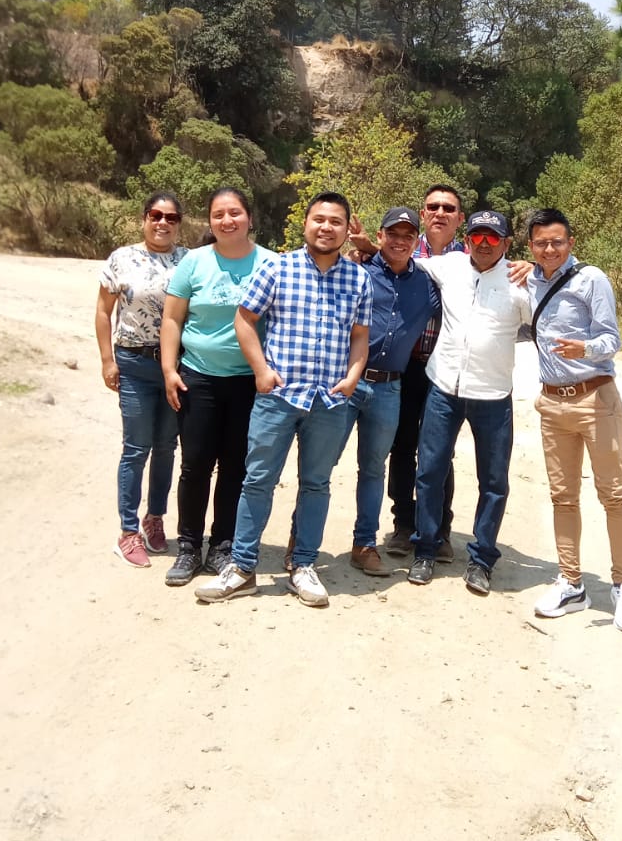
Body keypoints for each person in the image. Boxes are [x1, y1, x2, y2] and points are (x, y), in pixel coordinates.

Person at [195, 192, 372, 609]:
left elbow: (360, 335)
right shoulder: (278, 267)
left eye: (336, 221)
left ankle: (304, 565)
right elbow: (245, 319)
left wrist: (352, 377)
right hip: (278, 397)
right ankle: (242, 568)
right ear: (305, 223)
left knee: (316, 484)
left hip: (329, 401)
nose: (326, 227)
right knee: (257, 480)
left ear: (347, 230)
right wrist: (261, 371)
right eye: (319, 219)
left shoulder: (358, 278)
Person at [522, 209, 622, 631]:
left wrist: (585, 348)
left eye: (557, 242)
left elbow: (612, 339)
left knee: (614, 495)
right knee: (563, 497)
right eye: (541, 243)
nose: (549, 249)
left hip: (595, 399)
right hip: (553, 404)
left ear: (571, 243)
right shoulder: (530, 280)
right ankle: (572, 583)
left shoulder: (592, 279)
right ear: (531, 246)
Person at [408, 209, 532, 596]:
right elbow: (402, 257)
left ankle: (481, 560)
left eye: (493, 237)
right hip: (444, 387)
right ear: (467, 239)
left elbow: (548, 310)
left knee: (493, 482)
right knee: (429, 472)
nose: (484, 243)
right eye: (477, 235)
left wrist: (538, 268)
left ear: (506, 243)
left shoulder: (520, 282)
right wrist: (364, 245)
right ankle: (425, 550)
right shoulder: (450, 266)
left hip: (492, 395)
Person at [160, 187, 274, 586]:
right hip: (198, 377)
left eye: (235, 213)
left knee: (235, 466)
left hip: (249, 382)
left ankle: (223, 545)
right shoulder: (194, 262)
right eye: (219, 214)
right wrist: (169, 369)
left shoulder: (270, 263)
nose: (227, 220)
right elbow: (172, 319)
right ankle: (189, 546)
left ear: (249, 218)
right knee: (195, 465)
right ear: (210, 220)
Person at [351, 183, 465, 559]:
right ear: (423, 213)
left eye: (449, 207)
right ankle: (403, 524)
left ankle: (439, 529)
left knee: (439, 450)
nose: (440, 213)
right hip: (405, 367)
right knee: (401, 446)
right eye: (433, 206)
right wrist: (367, 250)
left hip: (445, 368)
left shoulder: (472, 258)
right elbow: (386, 260)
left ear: (460, 218)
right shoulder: (403, 249)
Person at [333, 206, 440, 576]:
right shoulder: (355, 271)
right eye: (392, 233)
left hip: (390, 388)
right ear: (380, 236)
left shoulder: (427, 285)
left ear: (416, 241)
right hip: (345, 382)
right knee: (321, 465)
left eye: (408, 236)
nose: (399, 241)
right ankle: (301, 542)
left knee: (373, 469)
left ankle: (364, 545)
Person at [96, 193, 187, 568]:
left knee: (166, 447)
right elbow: (103, 312)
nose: (162, 222)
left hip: (176, 367)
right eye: (155, 215)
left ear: (179, 223)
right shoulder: (121, 258)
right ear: (144, 218)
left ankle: (155, 518)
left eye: (171, 217)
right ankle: (128, 531)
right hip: (134, 363)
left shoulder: (189, 260)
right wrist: (108, 360)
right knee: (136, 448)